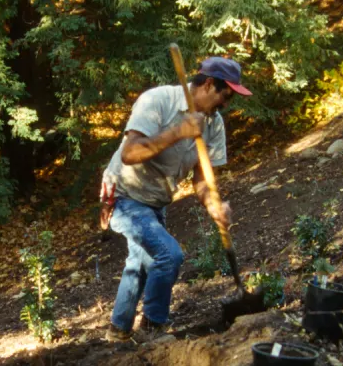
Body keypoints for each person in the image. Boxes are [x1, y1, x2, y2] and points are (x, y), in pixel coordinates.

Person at [101, 56, 248, 341]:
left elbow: (202, 179)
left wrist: (213, 203)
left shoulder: (213, 125)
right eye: (225, 95)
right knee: (169, 255)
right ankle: (152, 331)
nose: (226, 105)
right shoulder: (158, 101)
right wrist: (177, 132)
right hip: (124, 194)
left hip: (156, 199)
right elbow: (129, 154)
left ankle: (118, 331)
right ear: (208, 84)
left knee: (140, 263)